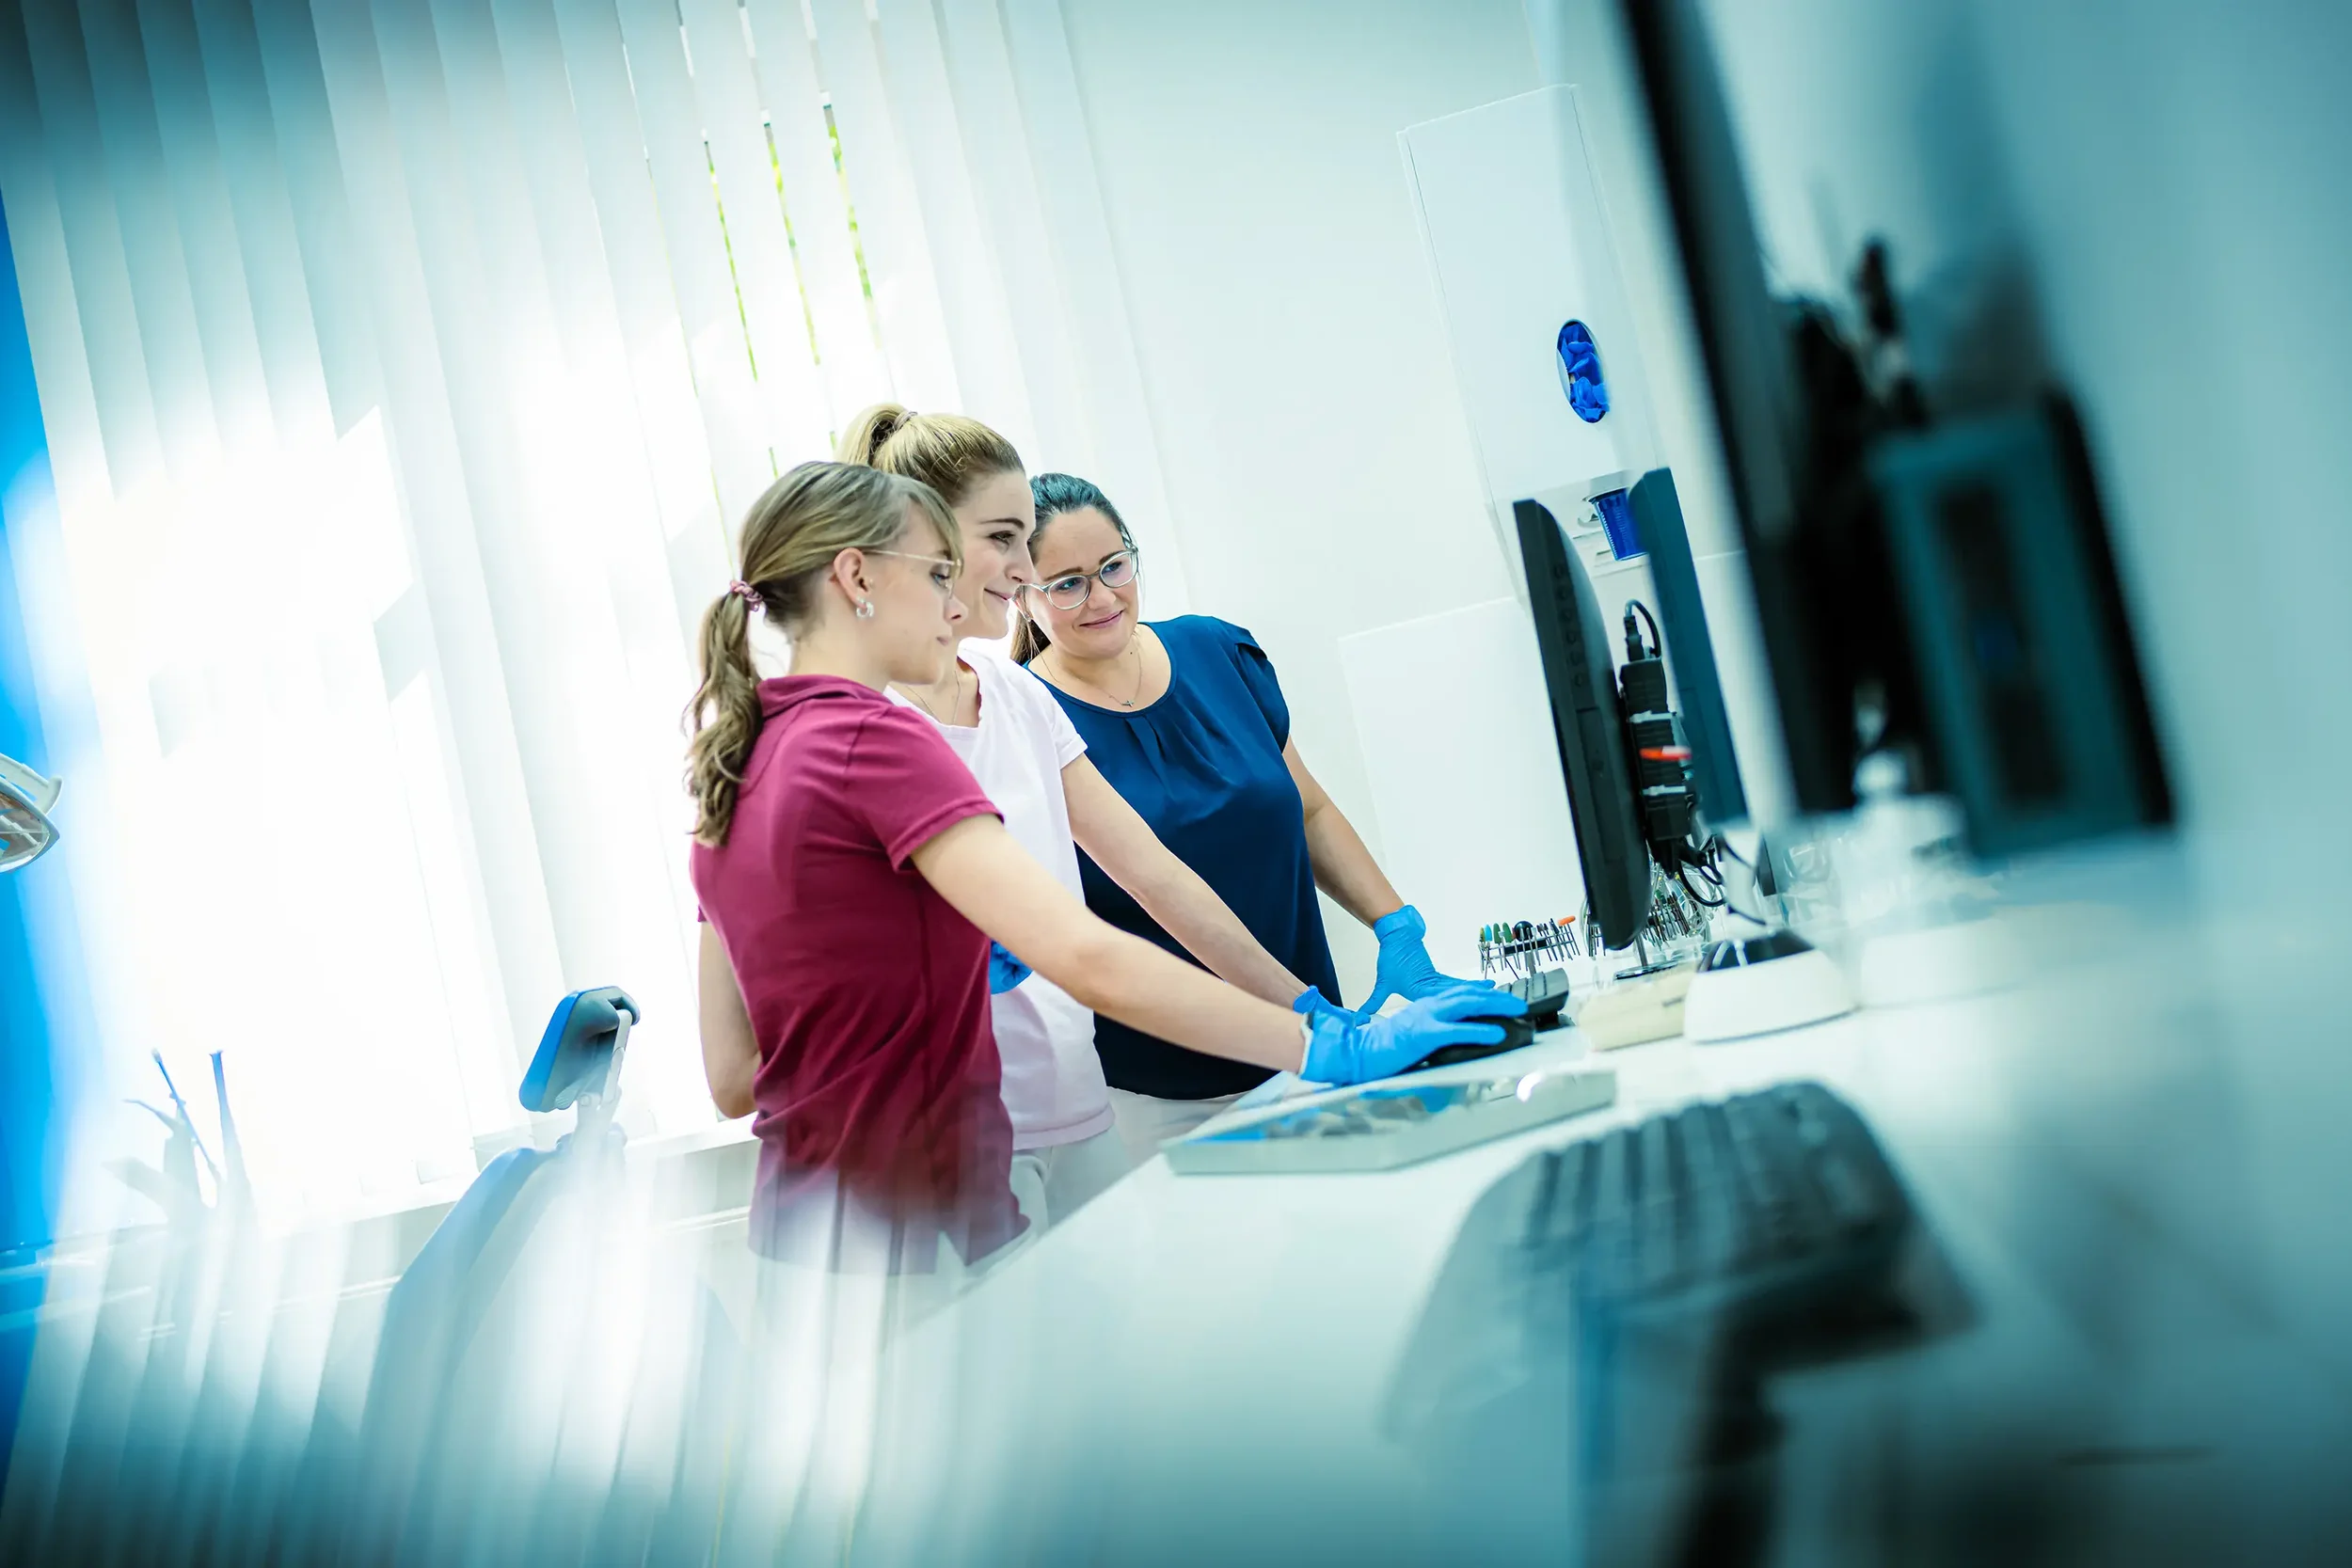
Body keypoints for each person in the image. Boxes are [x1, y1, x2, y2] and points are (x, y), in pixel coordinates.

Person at [687, 459, 1521, 1281]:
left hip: (802, 1243)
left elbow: (733, 1078)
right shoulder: (877, 739)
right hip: (923, 1223)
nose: (958, 602)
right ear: (855, 574)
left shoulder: (735, 762)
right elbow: (1085, 957)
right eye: (941, 569)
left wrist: (900, 992)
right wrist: (1324, 1045)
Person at [837, 404, 1352, 1218]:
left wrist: (1311, 1014)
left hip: (1078, 1115)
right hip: (965, 1137)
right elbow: (1087, 956)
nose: (1022, 563)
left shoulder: (1012, 690)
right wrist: (1308, 1040)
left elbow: (1155, 875)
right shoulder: (868, 728)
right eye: (1002, 538)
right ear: (925, 538)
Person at [1012, 473, 1493, 1157]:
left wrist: (1394, 924)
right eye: (1067, 583)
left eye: (1114, 566)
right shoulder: (1028, 721)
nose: (1103, 597)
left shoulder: (1217, 652)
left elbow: (1310, 809)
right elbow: (1146, 887)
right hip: (1165, 1097)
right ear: (1023, 595)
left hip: (1315, 1051)